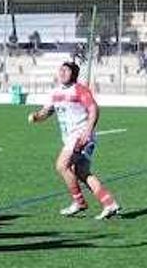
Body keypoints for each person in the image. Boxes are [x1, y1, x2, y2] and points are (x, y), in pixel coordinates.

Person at [28, 62, 121, 219]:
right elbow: (47, 111)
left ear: (73, 74)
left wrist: (88, 130)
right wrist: (37, 116)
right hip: (70, 138)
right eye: (61, 69)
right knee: (82, 172)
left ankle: (79, 202)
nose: (62, 72)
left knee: (61, 165)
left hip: (80, 136)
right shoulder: (55, 92)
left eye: (66, 70)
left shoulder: (80, 90)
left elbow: (93, 109)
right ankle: (109, 203)